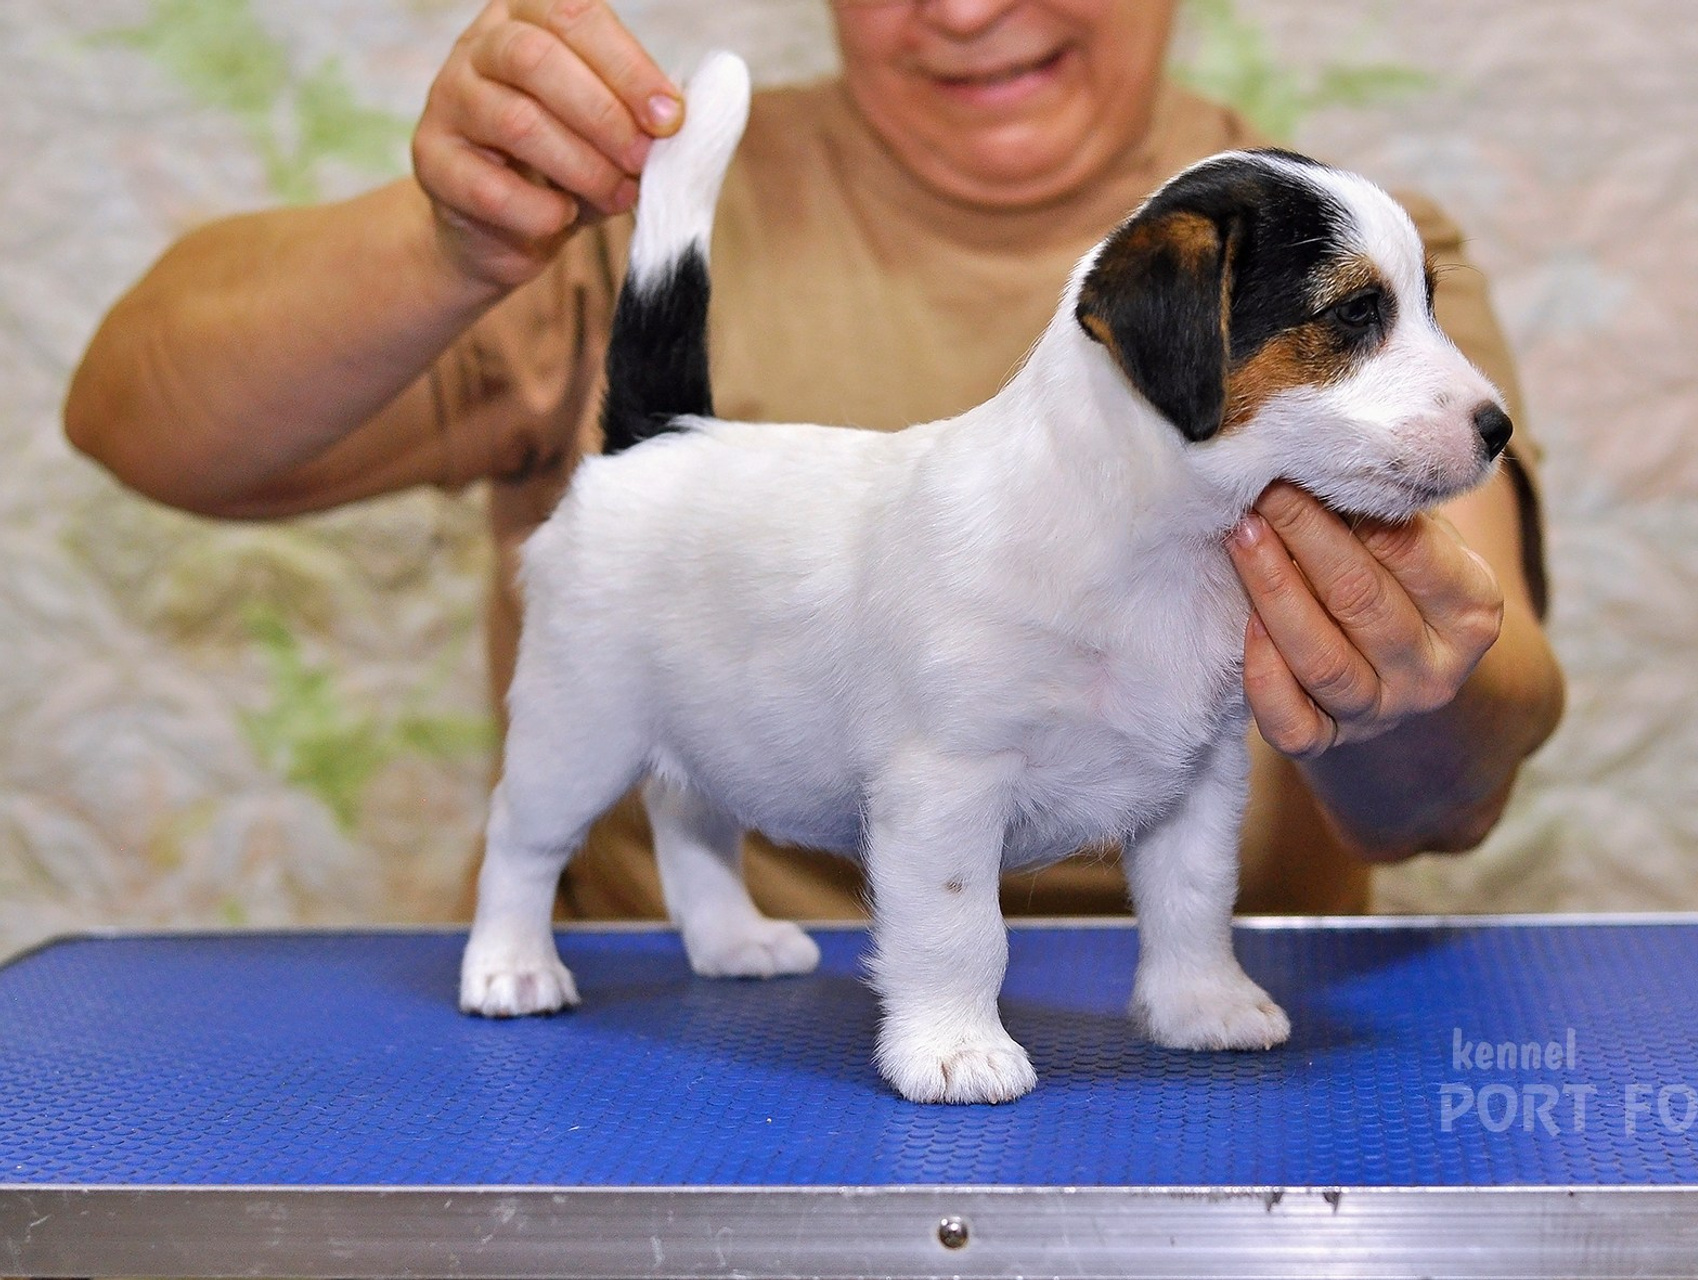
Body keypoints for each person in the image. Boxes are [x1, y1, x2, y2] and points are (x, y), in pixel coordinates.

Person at [64, 0, 1564, 921]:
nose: (965, 9)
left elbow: (1454, 789)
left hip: (1181, 1047)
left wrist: (1407, 697)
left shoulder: (1359, 264)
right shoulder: (617, 225)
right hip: (686, 1035)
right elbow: (141, 422)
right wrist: (444, 237)